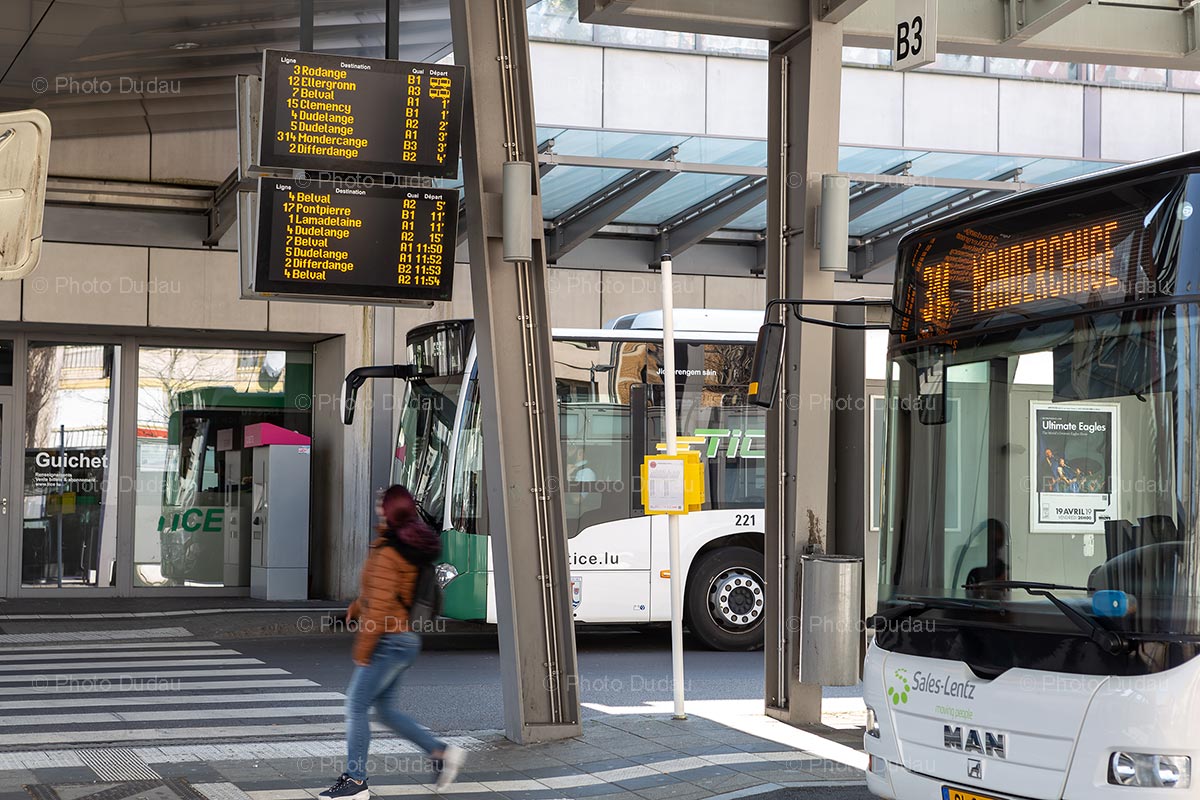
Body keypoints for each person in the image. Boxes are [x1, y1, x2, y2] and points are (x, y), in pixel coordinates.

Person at [320, 486, 465, 799]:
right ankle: (440, 752)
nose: (377, 507)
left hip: (389, 640)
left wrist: (362, 651)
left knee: (356, 705)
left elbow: (381, 608)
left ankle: (356, 781)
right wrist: (352, 612)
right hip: (405, 639)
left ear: (389, 510)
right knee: (385, 710)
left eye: (380, 503)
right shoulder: (406, 544)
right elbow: (378, 595)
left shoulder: (389, 550)